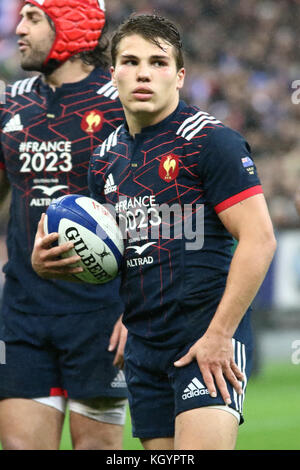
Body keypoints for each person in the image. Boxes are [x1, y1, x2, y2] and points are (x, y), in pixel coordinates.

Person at [34, 13, 277, 450]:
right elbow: (114, 255)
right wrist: (52, 264)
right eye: (130, 61)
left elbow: (260, 240)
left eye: (158, 62)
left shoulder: (211, 142)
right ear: (113, 75)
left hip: (206, 336)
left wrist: (220, 336)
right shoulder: (105, 160)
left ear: (180, 76)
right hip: (143, 350)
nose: (143, 72)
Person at [0, 0, 128, 450]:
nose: (19, 28)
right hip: (23, 311)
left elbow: (163, 207)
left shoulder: (122, 103)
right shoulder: (12, 103)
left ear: (72, 25)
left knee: (96, 449)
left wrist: (137, 309)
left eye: (33, 18)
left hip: (101, 313)